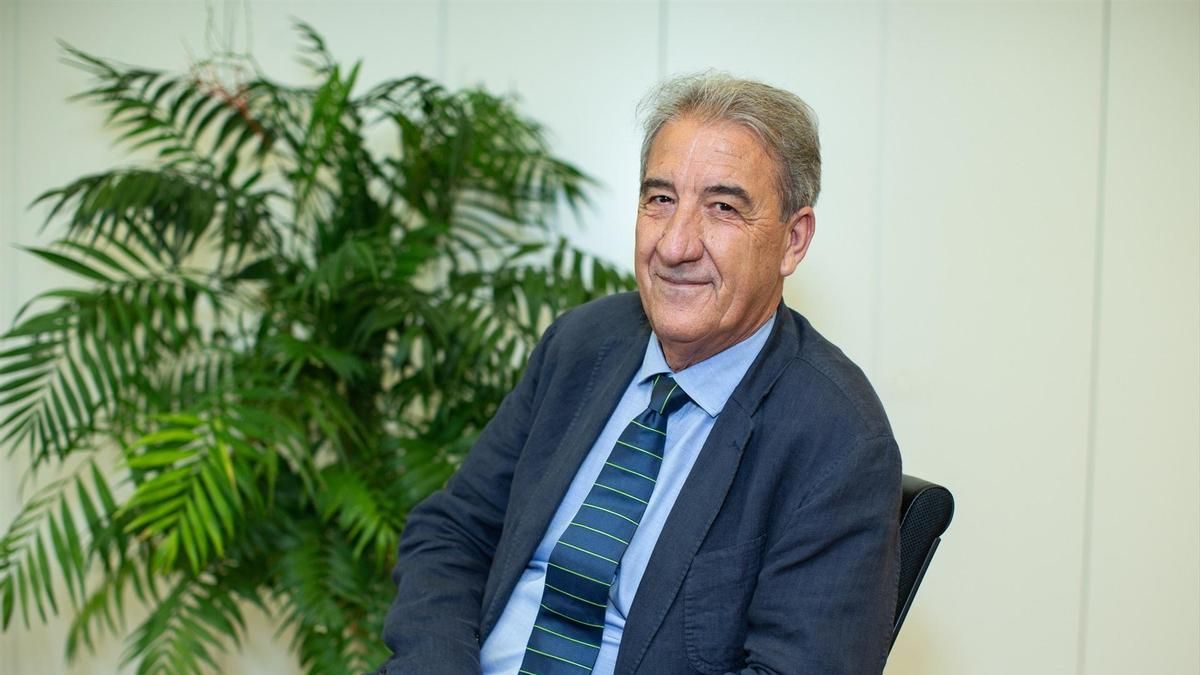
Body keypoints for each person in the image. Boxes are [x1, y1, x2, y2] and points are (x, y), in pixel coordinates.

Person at [376, 73, 901, 675]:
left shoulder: (838, 438)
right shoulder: (583, 344)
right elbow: (453, 532)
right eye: (661, 199)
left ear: (793, 240)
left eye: (723, 208)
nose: (675, 245)